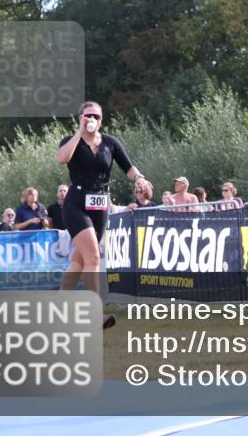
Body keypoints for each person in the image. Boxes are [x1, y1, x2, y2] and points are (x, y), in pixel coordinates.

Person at [57, 101, 151, 330]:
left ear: (101, 119)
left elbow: (128, 167)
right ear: (81, 117)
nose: (92, 120)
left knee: (79, 261)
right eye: (88, 116)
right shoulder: (72, 141)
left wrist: (139, 178)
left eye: (97, 117)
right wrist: (79, 132)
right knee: (94, 257)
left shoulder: (110, 142)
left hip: (100, 207)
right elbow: (62, 158)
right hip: (76, 204)